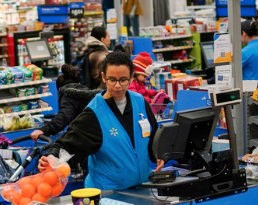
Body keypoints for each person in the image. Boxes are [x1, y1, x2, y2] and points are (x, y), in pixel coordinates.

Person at [39, 48, 164, 191]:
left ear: (131, 77)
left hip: (141, 187)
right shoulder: (94, 113)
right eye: (112, 80)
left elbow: (153, 134)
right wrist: (50, 158)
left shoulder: (140, 101)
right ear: (104, 77)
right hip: (107, 193)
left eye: (123, 80)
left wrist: (158, 153)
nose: (117, 85)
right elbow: (68, 145)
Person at [30, 64, 101, 141]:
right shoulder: (94, 95)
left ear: (60, 89)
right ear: (79, 83)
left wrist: (43, 130)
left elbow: (64, 117)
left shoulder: (69, 96)